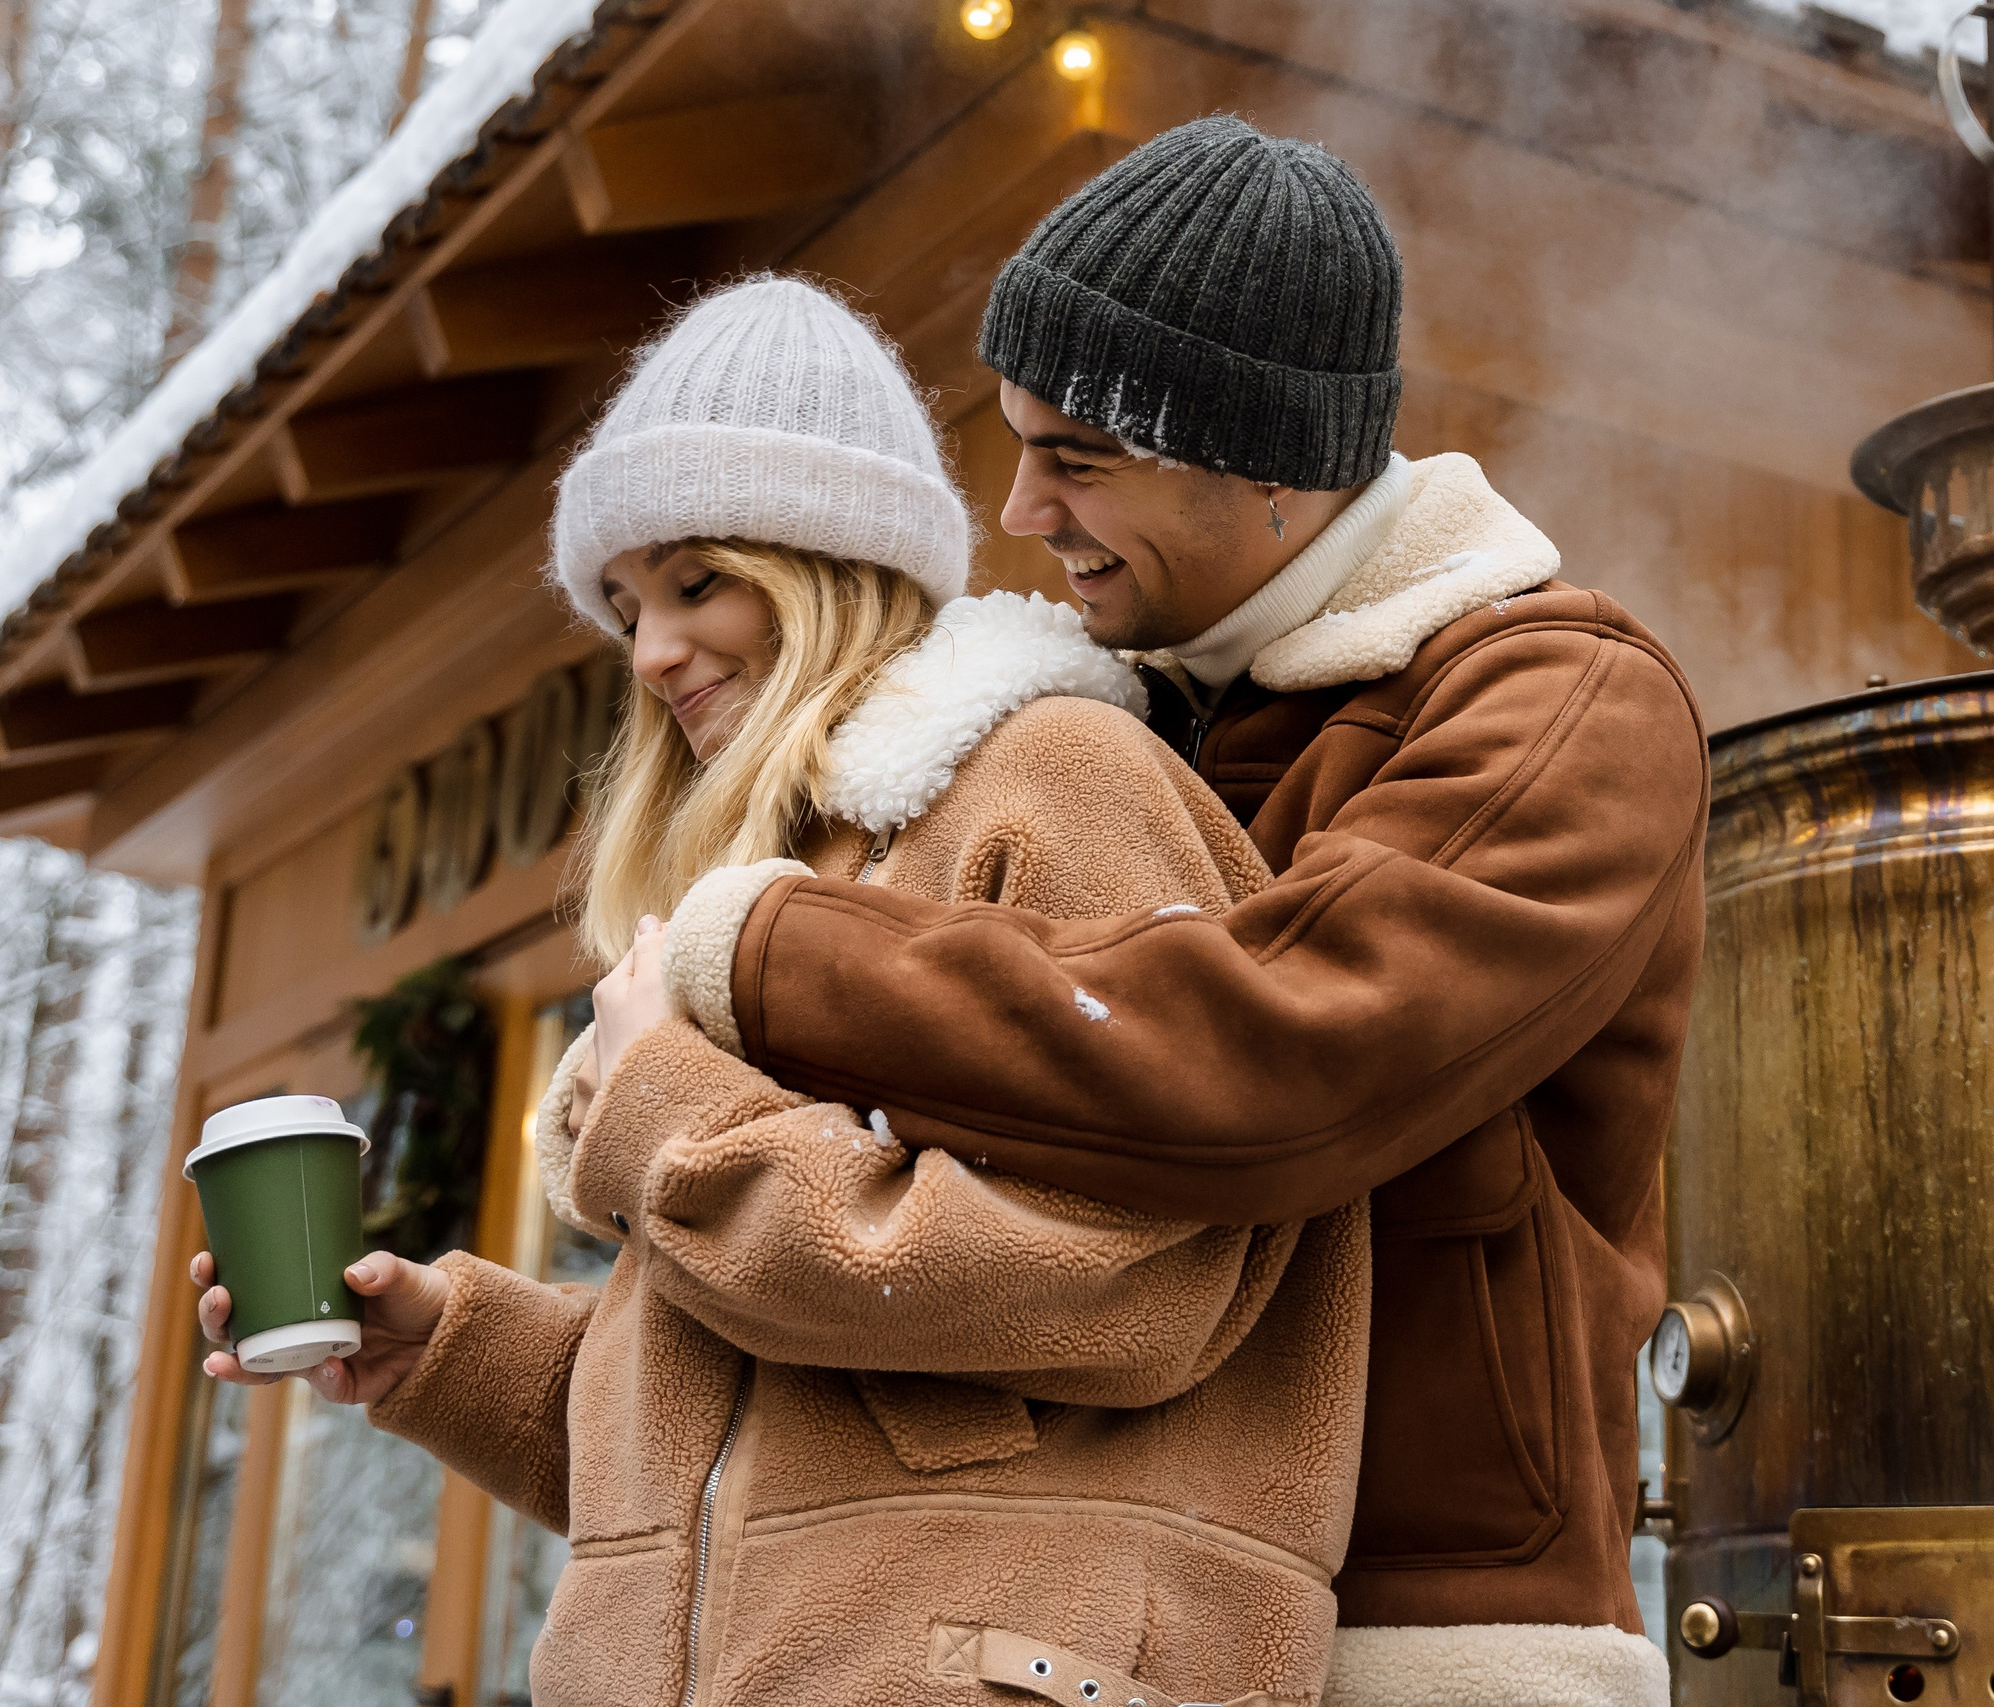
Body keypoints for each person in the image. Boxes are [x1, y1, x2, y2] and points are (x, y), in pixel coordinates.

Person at [607, 120, 1706, 1705]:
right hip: (1150, 1615)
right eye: (1015, 443)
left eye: (1078, 456)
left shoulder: (1552, 703)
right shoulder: (1132, 718)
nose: (1021, 507)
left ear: (1270, 461)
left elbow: (1273, 1050)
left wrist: (769, 953)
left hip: (1434, 1624)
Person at [193, 275, 1371, 1707]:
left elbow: (1123, 1280)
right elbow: (755, 1426)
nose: (651, 651)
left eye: (700, 583)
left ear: (840, 571)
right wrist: (451, 1348)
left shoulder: (1052, 780)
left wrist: (673, 1128)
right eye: (626, 605)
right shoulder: (762, 897)